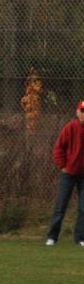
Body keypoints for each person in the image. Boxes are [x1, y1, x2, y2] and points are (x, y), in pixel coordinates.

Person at [45, 99, 84, 246]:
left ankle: (80, 238)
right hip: (68, 174)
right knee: (61, 206)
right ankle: (52, 237)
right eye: (82, 111)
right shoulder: (70, 128)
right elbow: (59, 148)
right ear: (77, 112)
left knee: (83, 208)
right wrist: (63, 165)